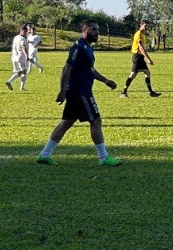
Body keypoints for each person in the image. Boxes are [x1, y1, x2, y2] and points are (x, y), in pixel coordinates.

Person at [36, 19, 121, 166]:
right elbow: (66, 68)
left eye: (98, 30)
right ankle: (103, 157)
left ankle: (45, 154)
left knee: (67, 122)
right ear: (85, 29)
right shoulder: (78, 47)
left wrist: (105, 81)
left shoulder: (88, 48)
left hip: (80, 90)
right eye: (94, 29)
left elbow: (89, 70)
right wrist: (62, 91)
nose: (97, 33)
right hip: (79, 91)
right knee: (96, 121)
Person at [120, 20, 161, 98]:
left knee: (147, 73)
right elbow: (141, 48)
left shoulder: (143, 34)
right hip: (137, 57)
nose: (146, 28)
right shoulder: (138, 34)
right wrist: (148, 59)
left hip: (140, 57)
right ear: (141, 25)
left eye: (147, 26)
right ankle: (123, 92)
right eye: (145, 26)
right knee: (133, 75)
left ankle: (151, 92)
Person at [5, 27, 31, 91]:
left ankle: (9, 82)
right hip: (20, 57)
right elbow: (23, 47)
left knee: (19, 72)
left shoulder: (16, 37)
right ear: (21, 31)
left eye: (26, 32)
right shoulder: (22, 39)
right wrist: (26, 55)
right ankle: (22, 88)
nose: (25, 33)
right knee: (24, 72)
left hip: (14, 57)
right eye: (25, 31)